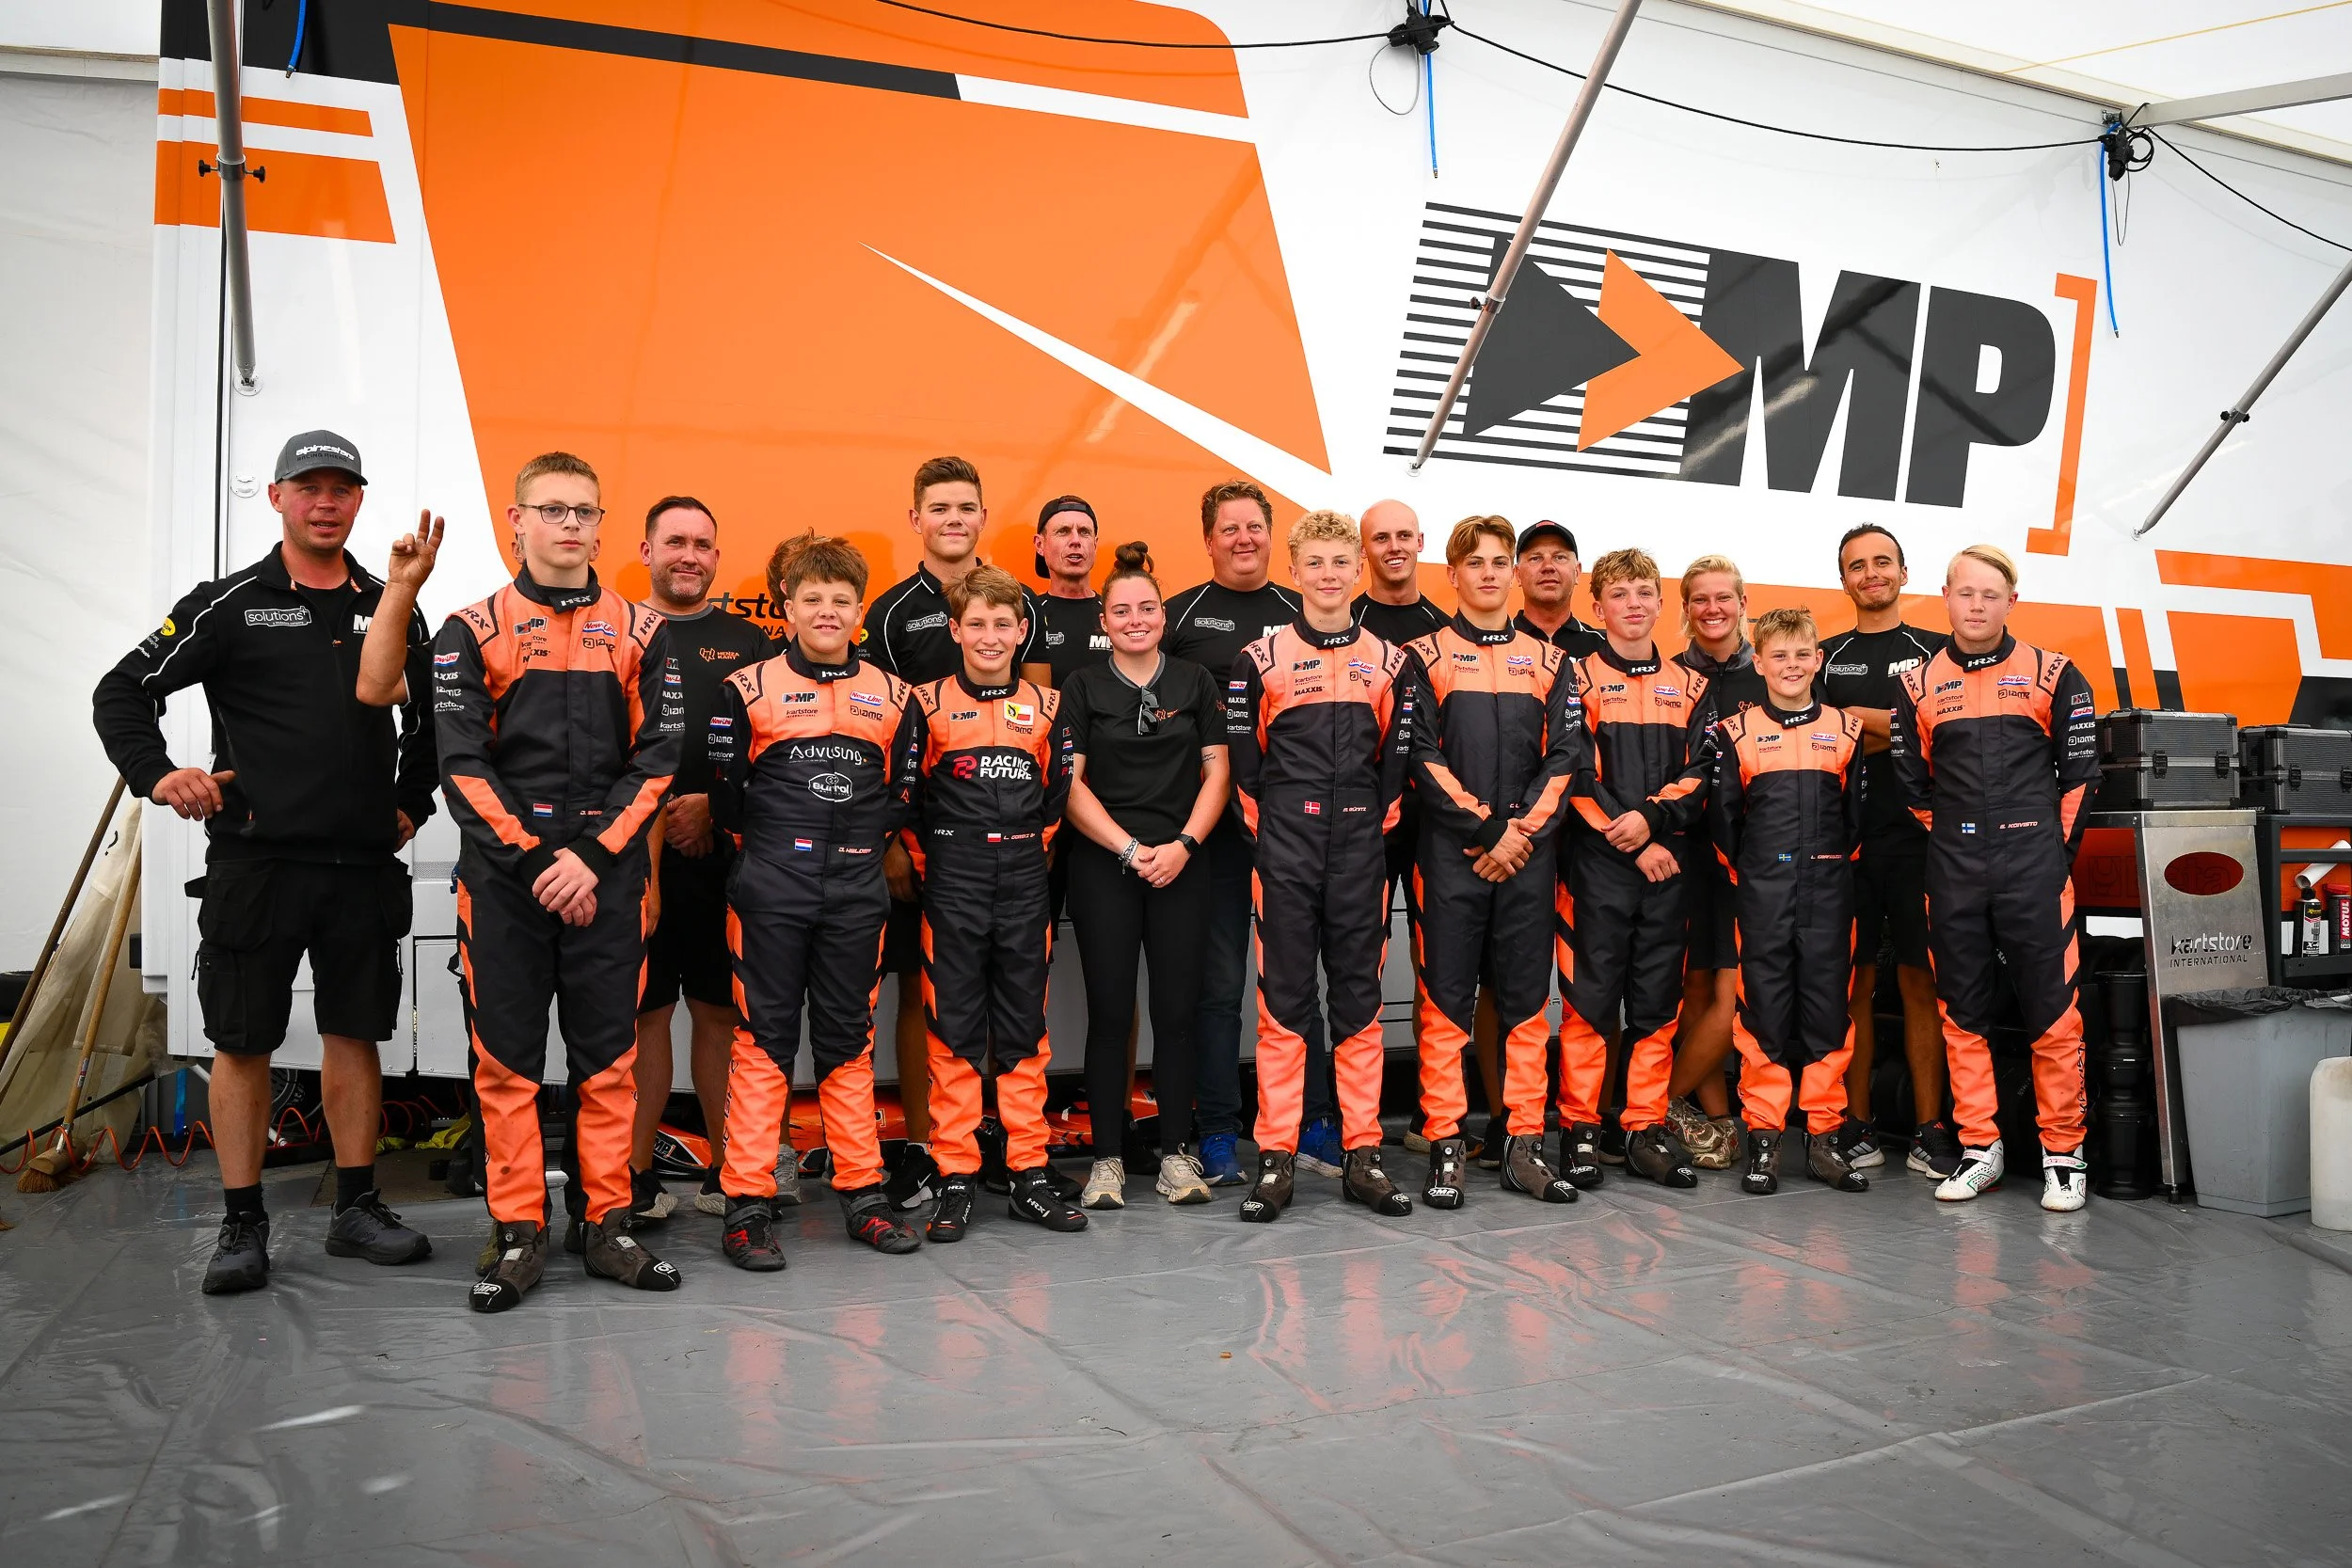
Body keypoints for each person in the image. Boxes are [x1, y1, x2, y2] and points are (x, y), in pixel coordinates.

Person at [95, 429, 437, 1294]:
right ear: (278, 496)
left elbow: (432, 716)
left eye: (342, 487)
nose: (326, 501)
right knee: (242, 1042)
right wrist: (158, 773)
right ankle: (242, 1221)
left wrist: (412, 800)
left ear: (359, 500)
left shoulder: (391, 596)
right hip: (257, 862)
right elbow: (121, 690)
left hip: (360, 865)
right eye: (308, 486)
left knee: (355, 1032)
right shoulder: (230, 603)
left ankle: (356, 1207)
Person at [425, 451, 685, 1312]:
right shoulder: (470, 629)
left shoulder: (644, 632)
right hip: (506, 881)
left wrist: (594, 857)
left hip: (606, 877)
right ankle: (517, 1233)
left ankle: (606, 1223)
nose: (570, 524)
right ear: (517, 521)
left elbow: (657, 763)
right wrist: (539, 861)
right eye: (552, 509)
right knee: (506, 1067)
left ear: (602, 526)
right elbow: (460, 766)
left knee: (608, 1062)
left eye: (584, 510)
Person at [706, 533, 925, 1268]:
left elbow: (902, 795)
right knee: (763, 1042)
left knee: (846, 1041)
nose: (827, 611)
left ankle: (863, 1192)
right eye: (813, 599)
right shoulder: (746, 688)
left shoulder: (895, 697)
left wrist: (856, 853)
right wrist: (777, 856)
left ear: (859, 610)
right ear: (786, 607)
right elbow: (727, 800)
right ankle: (747, 1202)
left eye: (841, 600)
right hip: (769, 887)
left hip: (856, 891)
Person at [859, 457, 1052, 1206]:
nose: (954, 519)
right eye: (939, 507)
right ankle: (931, 1147)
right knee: (929, 995)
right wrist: (889, 846)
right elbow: (880, 738)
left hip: (1012, 849)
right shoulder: (888, 611)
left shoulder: (1017, 596)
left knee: (1014, 1000)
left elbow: (1040, 711)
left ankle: (1008, 1141)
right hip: (924, 844)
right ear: (917, 518)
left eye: (967, 507)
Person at [1891, 545, 2099, 1212]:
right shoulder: (1916, 685)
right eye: (1965, 592)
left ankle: (2064, 1155)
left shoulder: (2055, 673)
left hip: (2035, 863)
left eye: (1990, 594)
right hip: (1953, 866)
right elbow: (1914, 788)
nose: (1976, 605)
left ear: (2012, 601)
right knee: (1962, 1012)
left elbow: (2082, 778)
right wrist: (1959, 844)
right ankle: (1982, 1147)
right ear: (1945, 597)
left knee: (2053, 1014)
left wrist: (2047, 854)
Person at [1226, 509, 1417, 1223]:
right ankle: (1275, 1157)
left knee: (1359, 1005)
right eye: (1318, 563)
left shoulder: (1390, 661)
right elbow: (1247, 770)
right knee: (1284, 1006)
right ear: (1295, 571)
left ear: (1357, 572)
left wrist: (1369, 831)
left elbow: (1396, 768)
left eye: (1343, 563)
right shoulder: (1259, 657)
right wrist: (1276, 839)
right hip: (1285, 851)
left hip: (1362, 849)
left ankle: (1362, 1153)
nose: (1330, 575)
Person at [1401, 516, 1585, 1208]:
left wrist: (1519, 836)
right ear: (1450, 575)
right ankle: (1446, 1144)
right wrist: (1485, 830)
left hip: (1528, 860)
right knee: (1445, 1007)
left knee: (1527, 1008)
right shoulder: (1424, 655)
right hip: (1452, 858)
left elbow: (1568, 756)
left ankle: (1523, 1146)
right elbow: (1419, 753)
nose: (1487, 572)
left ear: (1511, 573)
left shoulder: (1550, 661)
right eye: (1473, 561)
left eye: (1497, 561)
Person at [905, 564, 1087, 1240]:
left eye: (1001, 624)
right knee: (952, 1031)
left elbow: (1058, 788)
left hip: (1022, 879)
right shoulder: (923, 704)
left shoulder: (1047, 703)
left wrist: (1021, 847)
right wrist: (938, 864)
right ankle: (955, 1174)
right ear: (955, 629)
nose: (989, 635)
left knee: (1023, 1031)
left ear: (1021, 630)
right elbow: (908, 801)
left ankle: (1028, 1173)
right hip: (950, 881)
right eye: (975, 623)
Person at [1058, 543, 1231, 1209]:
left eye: (1148, 607)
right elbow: (1069, 785)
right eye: (1121, 609)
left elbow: (1218, 771)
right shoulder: (1082, 684)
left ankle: (1176, 1157)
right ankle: (1106, 1159)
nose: (1136, 618)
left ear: (1164, 614)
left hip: (1184, 863)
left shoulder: (1194, 682)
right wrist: (1130, 849)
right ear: (1104, 620)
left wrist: (1184, 843)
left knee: (1178, 1013)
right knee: (1109, 1012)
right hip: (1107, 864)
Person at [1162, 480, 1319, 1186]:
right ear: (1208, 538)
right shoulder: (1179, 616)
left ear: (1272, 534)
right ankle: (1220, 1130)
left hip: (1293, 829)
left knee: (1295, 984)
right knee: (1221, 987)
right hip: (1216, 833)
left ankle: (1313, 1121)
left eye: (1255, 527)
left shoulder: (1303, 611)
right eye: (1229, 529)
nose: (1243, 538)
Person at [629, 497, 779, 1225]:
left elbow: (773, 754)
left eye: (702, 544)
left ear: (719, 557)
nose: (689, 555)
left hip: (726, 865)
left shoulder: (750, 641)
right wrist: (660, 815)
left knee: (720, 1016)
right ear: (647, 549)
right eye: (675, 542)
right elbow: (608, 750)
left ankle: (729, 1173)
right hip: (639, 863)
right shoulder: (617, 631)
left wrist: (712, 811)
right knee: (645, 1015)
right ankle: (634, 1179)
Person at [1702, 607, 1872, 1196]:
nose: (1792, 665)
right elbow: (1723, 821)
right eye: (1779, 655)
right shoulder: (1737, 731)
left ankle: (1825, 1139)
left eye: (1802, 654)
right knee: (1763, 1012)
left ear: (1818, 660)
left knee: (1828, 1010)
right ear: (1761, 662)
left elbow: (1856, 820)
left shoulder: (1846, 730)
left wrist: (1825, 868)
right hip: (1763, 894)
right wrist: (1755, 876)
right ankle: (1766, 1139)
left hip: (1829, 891)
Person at [1557, 547, 1711, 1191]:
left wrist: (1654, 822)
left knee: (1655, 1004)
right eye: (1619, 594)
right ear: (1597, 607)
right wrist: (1635, 835)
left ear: (1660, 603)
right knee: (1589, 1005)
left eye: (1645, 591)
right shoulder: (1576, 677)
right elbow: (1573, 769)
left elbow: (1701, 773)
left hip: (1666, 863)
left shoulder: (1692, 684)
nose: (1634, 604)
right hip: (1596, 865)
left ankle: (1644, 1128)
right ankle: (1579, 1132)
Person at [1817, 525, 1959, 1180]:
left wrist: (1857, 720)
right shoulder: (1823, 655)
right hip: (1841, 840)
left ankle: (1932, 1130)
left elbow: (1930, 730)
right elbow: (1815, 737)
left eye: (1881, 562)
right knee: (1854, 986)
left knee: (1919, 981)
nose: (1870, 573)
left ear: (1904, 572)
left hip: (1918, 839)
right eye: (1856, 566)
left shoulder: (1938, 652)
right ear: (1843, 579)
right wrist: (1892, 723)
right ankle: (1858, 1123)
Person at [1662, 556, 1769, 1171]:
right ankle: (1721, 1121)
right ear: (1686, 607)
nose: (1712, 609)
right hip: (1687, 851)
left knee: (1735, 996)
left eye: (1722, 597)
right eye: (1699, 599)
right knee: (1696, 990)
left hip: (1751, 859)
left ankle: (1656, 1101)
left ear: (1742, 600)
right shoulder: (1672, 676)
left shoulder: (1772, 673)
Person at [1034, 495, 1109, 685]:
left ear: (1095, 544)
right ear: (1039, 544)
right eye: (1063, 531)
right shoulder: (1029, 614)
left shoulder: (1117, 614)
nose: (1075, 540)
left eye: (1084, 532)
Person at [1511, 521, 1605, 657]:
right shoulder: (1496, 645)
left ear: (1577, 572)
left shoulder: (1605, 647)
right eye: (1535, 558)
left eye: (1559, 557)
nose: (1548, 566)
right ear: (1517, 574)